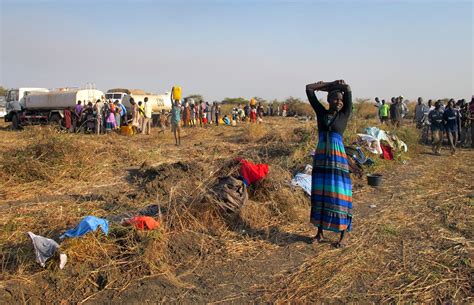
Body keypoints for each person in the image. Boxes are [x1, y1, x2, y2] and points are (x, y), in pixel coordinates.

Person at [306, 79, 353, 248]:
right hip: (321, 157)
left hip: (338, 159)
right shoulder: (321, 113)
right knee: (321, 193)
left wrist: (340, 87)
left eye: (341, 99)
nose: (339, 102)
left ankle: (343, 234)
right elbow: (309, 89)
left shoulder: (344, 114)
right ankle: (319, 233)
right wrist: (329, 84)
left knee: (339, 193)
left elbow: (347, 90)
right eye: (335, 99)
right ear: (328, 100)